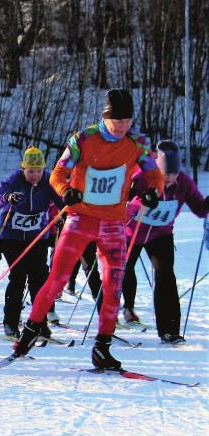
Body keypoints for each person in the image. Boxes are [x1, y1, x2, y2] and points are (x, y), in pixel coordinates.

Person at [12, 88, 164, 369]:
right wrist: (65, 191)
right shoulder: (83, 139)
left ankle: (102, 346)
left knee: (113, 286)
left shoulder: (138, 143)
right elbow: (58, 173)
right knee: (57, 278)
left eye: (127, 121)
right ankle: (31, 330)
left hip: (113, 222)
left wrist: (153, 190)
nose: (121, 127)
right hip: (81, 218)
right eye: (116, 121)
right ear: (105, 118)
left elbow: (154, 175)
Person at [122, 140, 208, 343]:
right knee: (120, 271)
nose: (169, 179)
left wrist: (207, 204)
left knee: (166, 277)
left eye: (173, 174)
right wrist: (140, 199)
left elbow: (200, 208)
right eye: (165, 174)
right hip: (131, 232)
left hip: (161, 235)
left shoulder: (184, 183)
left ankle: (169, 330)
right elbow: (124, 199)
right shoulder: (142, 176)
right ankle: (112, 317)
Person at [0, 147, 63, 337]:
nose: (35, 175)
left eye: (39, 170)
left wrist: (68, 209)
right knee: (18, 277)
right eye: (31, 171)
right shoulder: (14, 180)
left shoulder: (48, 180)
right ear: (23, 169)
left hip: (37, 238)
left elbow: (62, 201)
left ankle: (39, 323)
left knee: (39, 280)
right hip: (11, 238)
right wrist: (8, 197)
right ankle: (11, 322)